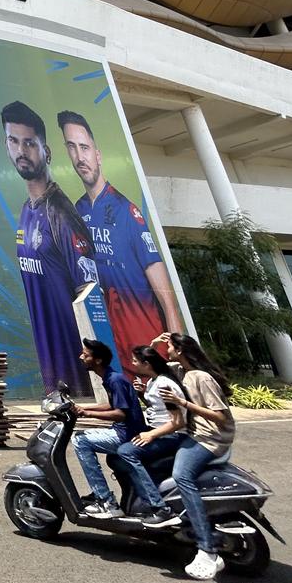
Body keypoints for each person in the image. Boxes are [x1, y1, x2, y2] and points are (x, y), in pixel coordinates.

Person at [57, 111, 185, 381]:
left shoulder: (127, 210)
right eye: (71, 147)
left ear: (98, 153)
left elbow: (165, 292)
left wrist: (175, 352)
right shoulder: (76, 212)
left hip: (146, 346)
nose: (80, 157)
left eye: (84, 147)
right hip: (109, 346)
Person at [3, 100, 96, 395]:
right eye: (13, 141)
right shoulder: (26, 211)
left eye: (29, 143)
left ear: (47, 151)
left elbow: (90, 291)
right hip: (51, 370)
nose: (21, 151)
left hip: (77, 372)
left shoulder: (61, 214)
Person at [158, 332, 237, 580]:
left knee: (182, 475)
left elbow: (221, 416)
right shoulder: (184, 371)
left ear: (180, 350)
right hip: (196, 434)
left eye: (169, 346)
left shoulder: (201, 377)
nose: (166, 349)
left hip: (211, 438)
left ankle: (207, 548)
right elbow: (158, 366)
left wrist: (184, 403)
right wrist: (153, 345)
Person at [70, 338, 146, 518]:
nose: (81, 357)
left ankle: (105, 500)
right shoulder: (110, 378)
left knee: (80, 441)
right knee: (82, 435)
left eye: (85, 355)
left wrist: (87, 414)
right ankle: (99, 494)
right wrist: (83, 407)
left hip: (126, 434)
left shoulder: (115, 380)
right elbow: (111, 405)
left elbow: (120, 413)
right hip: (122, 431)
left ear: (98, 360)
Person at [114, 344, 187, 526]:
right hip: (159, 432)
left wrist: (151, 435)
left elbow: (178, 421)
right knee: (114, 457)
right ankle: (136, 499)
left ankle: (159, 508)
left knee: (126, 452)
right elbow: (159, 408)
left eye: (135, 361)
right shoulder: (154, 381)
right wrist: (141, 393)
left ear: (146, 364)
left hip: (172, 436)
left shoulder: (163, 384)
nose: (132, 363)